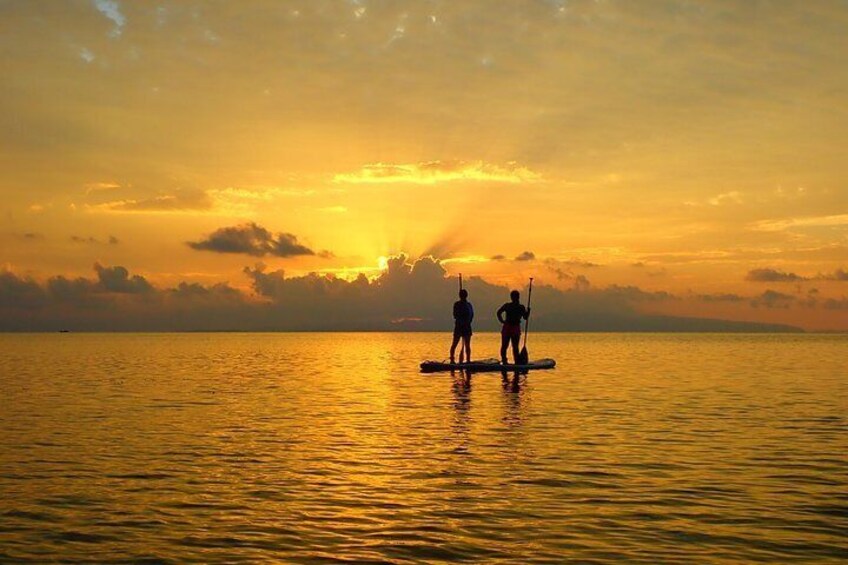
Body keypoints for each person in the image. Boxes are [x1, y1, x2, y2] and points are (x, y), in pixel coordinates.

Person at [497, 290, 530, 365]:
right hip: (509, 327)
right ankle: (506, 361)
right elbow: (498, 312)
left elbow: (525, 317)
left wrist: (528, 312)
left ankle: (514, 361)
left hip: (513, 328)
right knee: (507, 346)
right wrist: (502, 321)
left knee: (512, 346)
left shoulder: (520, 307)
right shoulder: (510, 306)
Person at [450, 289, 474, 363]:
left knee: (467, 345)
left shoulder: (468, 305)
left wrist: (467, 322)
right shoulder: (457, 304)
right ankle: (452, 359)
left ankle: (468, 360)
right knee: (455, 344)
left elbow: (471, 315)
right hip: (460, 326)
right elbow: (455, 315)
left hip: (466, 326)